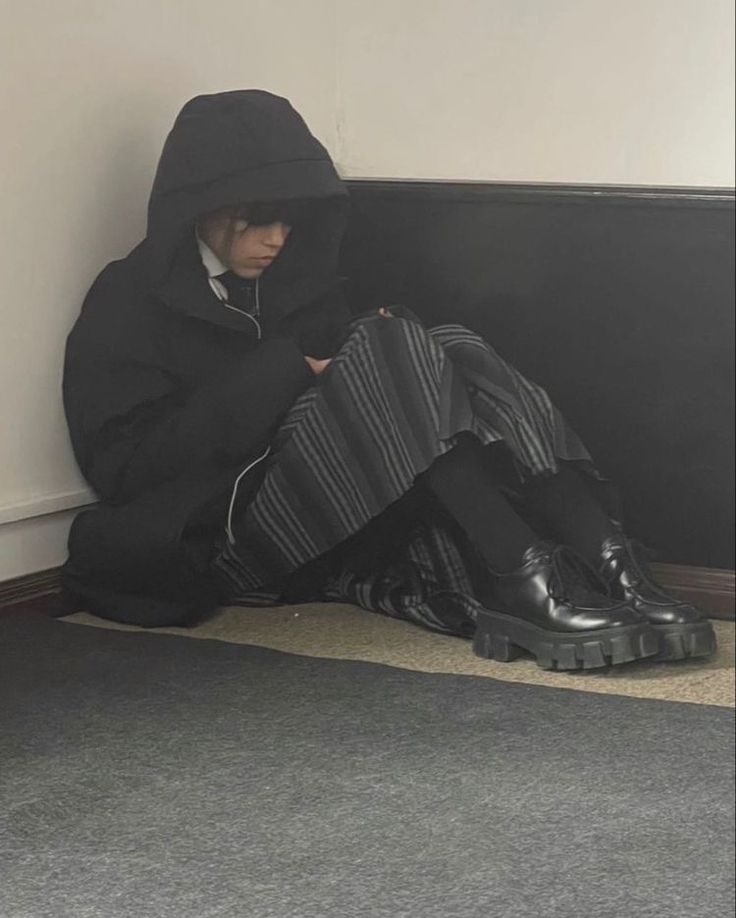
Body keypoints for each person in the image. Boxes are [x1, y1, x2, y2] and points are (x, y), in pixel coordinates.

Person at [62, 89, 716, 671]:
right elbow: (129, 470)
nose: (277, 238)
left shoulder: (296, 283)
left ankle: (609, 562)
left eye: (288, 220)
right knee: (385, 341)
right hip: (221, 539)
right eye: (258, 219)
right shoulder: (128, 302)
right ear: (205, 209)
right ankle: (523, 577)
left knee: (445, 341)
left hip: (329, 521)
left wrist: (337, 362)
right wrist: (288, 372)